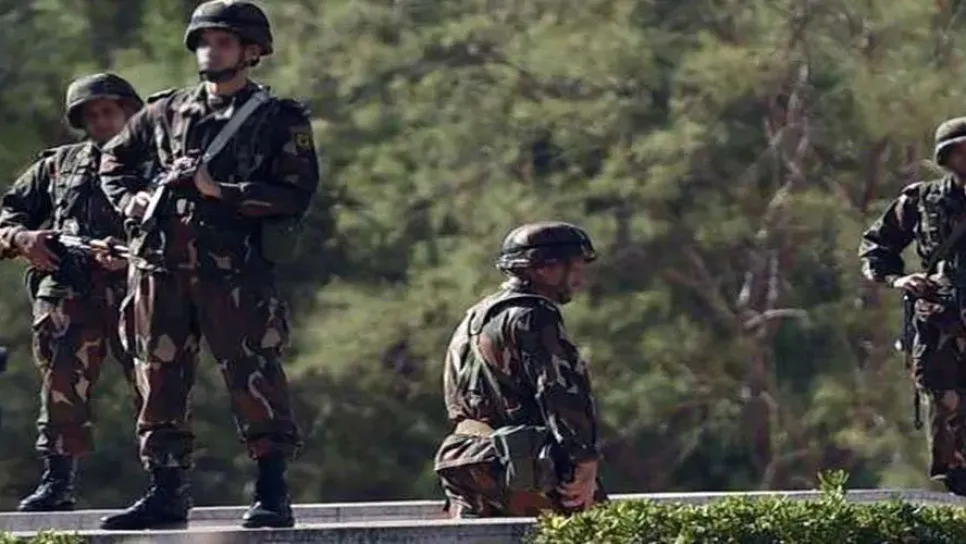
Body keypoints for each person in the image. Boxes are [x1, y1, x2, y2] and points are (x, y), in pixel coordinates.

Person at [96, 0, 319, 530]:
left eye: (222, 42)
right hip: (159, 268)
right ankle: (165, 491)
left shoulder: (277, 119)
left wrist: (222, 191)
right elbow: (114, 160)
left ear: (251, 51)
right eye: (202, 42)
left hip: (235, 273)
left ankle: (271, 492)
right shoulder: (165, 111)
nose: (209, 51)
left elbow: (296, 193)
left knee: (254, 375)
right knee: (158, 378)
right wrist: (130, 200)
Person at [0, 72, 145, 511]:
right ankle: (57, 482)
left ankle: (168, 480)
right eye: (91, 115)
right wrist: (23, 239)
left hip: (139, 292)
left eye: (109, 111)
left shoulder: (155, 164)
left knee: (156, 387)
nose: (101, 121)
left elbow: (189, 225)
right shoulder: (59, 166)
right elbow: (8, 214)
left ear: (129, 112)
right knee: (61, 386)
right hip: (69, 292)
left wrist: (132, 254)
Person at [433, 221, 606, 518]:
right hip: (522, 465)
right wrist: (584, 460)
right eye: (575, 267)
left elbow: (454, 397)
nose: (580, 278)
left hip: (466, 459)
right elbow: (559, 392)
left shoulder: (477, 316)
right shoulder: (534, 315)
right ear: (545, 268)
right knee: (599, 530)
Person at [859, 117, 966, 496]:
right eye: (960, 150)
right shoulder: (922, 201)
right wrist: (899, 279)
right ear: (946, 157)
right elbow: (876, 247)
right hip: (942, 326)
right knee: (947, 412)